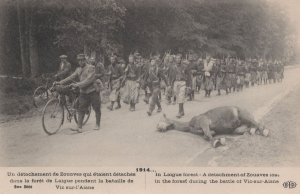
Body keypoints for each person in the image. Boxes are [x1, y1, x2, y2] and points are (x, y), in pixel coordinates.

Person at [56, 53, 101, 132]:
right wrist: (60, 82)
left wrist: (77, 85)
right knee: (81, 109)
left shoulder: (91, 68)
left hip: (92, 91)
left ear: (85, 60)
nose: (80, 62)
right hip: (83, 92)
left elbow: (89, 80)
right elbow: (71, 77)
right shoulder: (78, 69)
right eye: (79, 60)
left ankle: (97, 124)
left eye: (82, 60)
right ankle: (79, 127)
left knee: (96, 108)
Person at [173, 54, 188, 118]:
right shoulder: (173, 66)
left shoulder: (184, 66)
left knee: (181, 96)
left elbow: (189, 75)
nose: (178, 59)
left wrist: (189, 85)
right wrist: (170, 84)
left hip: (182, 82)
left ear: (181, 59)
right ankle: (182, 111)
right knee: (178, 97)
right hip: (176, 82)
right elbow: (171, 76)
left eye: (179, 58)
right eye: (176, 58)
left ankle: (179, 112)